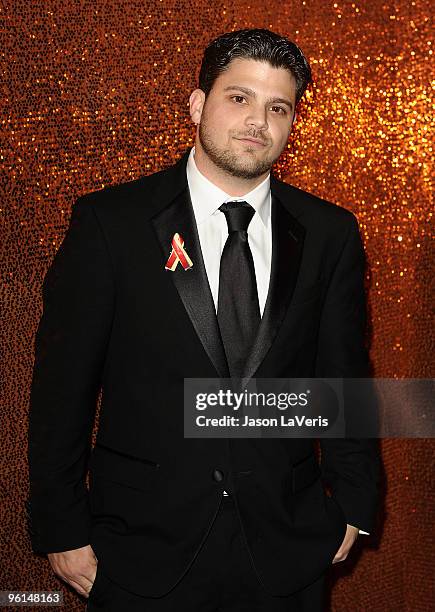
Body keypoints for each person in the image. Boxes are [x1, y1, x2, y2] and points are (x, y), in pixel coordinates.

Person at [26, 28, 380, 611]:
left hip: (287, 545)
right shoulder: (111, 223)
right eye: (238, 98)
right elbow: (61, 388)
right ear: (198, 104)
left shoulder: (329, 234)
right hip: (140, 544)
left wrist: (353, 504)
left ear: (293, 122)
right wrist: (61, 526)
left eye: (277, 108)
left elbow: (343, 378)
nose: (257, 122)